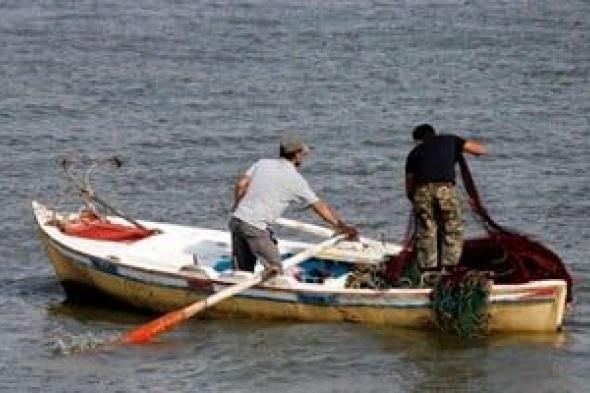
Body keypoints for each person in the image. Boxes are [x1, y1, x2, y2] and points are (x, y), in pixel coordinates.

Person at [229, 134, 358, 277]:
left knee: (242, 272)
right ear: (297, 155)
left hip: (237, 220)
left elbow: (241, 184)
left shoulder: (262, 163)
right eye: (302, 154)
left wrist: (237, 205)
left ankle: (243, 293)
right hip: (255, 227)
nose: (302, 158)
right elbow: (318, 206)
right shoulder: (295, 179)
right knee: (275, 270)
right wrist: (340, 225)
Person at [405, 124, 487, 280]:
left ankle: (428, 271)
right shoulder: (450, 140)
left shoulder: (414, 153)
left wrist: (417, 202)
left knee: (426, 229)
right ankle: (449, 268)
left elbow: (409, 187)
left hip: (422, 192)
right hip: (445, 190)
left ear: (418, 140)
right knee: (451, 227)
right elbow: (479, 150)